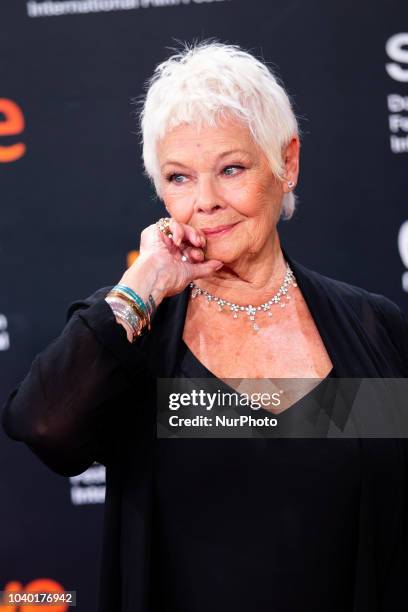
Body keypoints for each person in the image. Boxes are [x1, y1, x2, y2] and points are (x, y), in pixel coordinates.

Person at [2, 41, 408, 612]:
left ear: (286, 163)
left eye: (231, 169)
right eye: (179, 178)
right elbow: (42, 424)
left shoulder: (370, 326)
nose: (205, 202)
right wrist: (144, 283)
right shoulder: (137, 334)